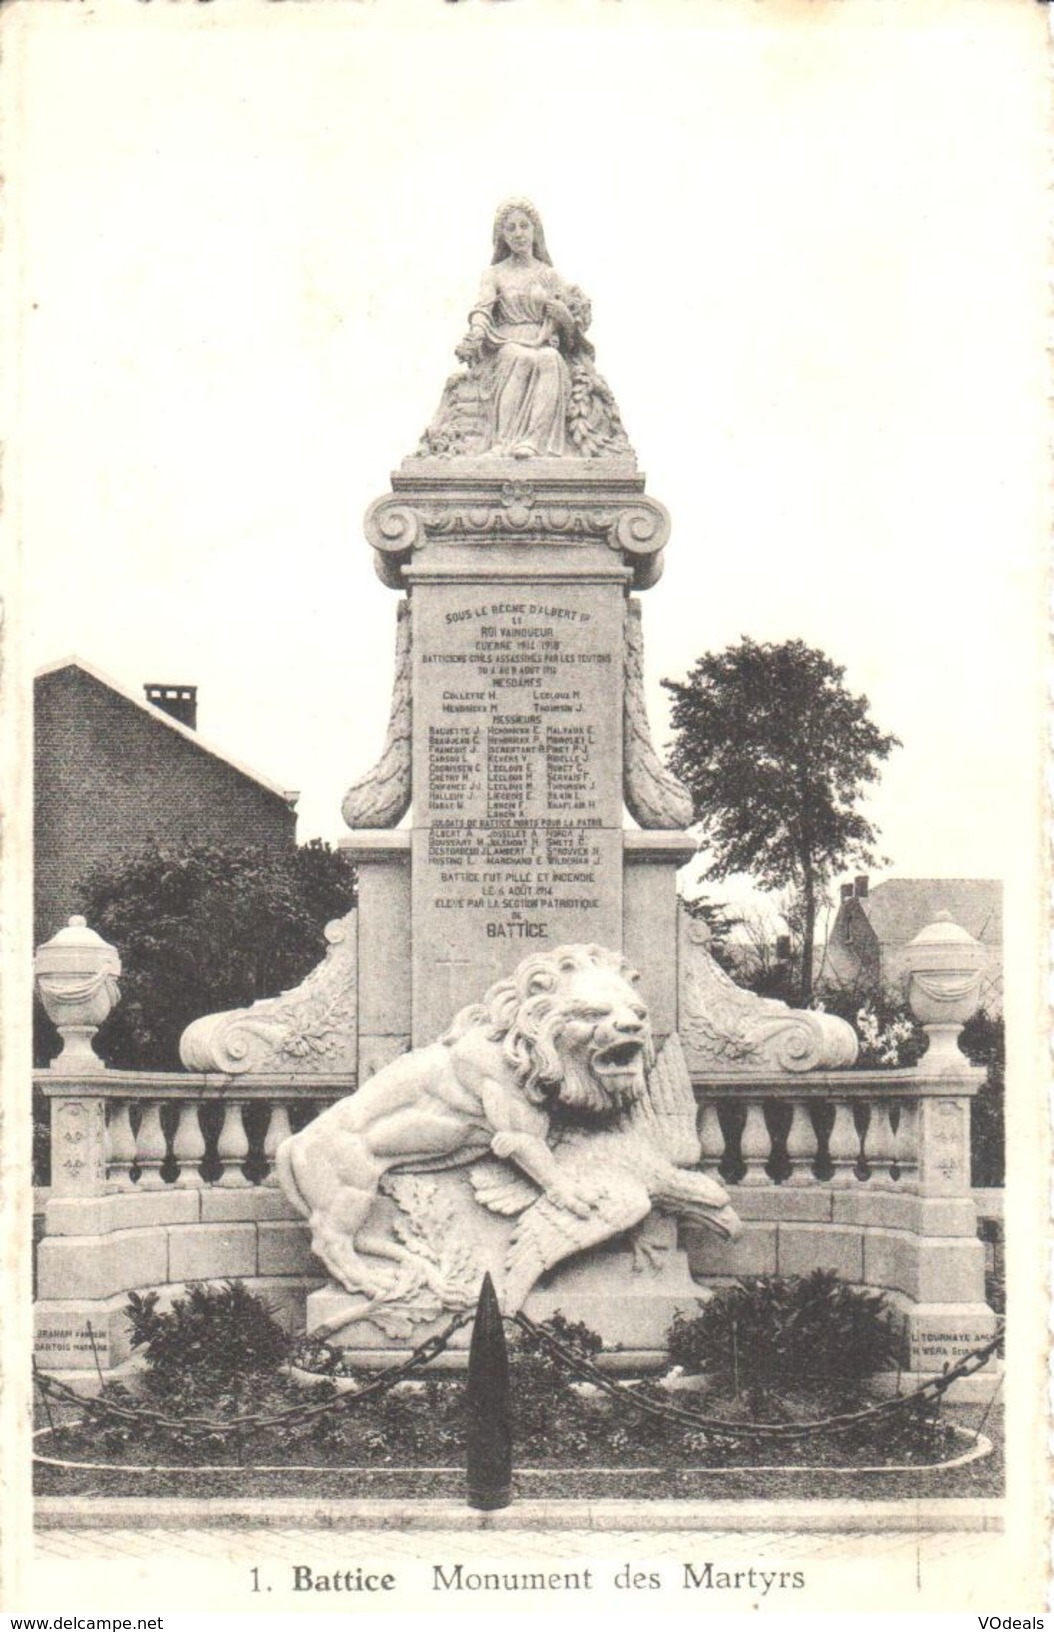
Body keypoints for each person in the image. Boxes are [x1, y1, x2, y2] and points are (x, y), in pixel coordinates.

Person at [455, 198, 590, 459]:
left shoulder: (549, 275)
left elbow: (573, 325)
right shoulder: (493, 274)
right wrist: (476, 334)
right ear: (502, 237)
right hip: (506, 342)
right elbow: (482, 309)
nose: (518, 233)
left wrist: (565, 319)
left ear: (534, 230)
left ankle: (533, 442)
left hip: (541, 341)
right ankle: (502, 443)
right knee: (520, 357)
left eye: (523, 226)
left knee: (551, 359)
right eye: (511, 228)